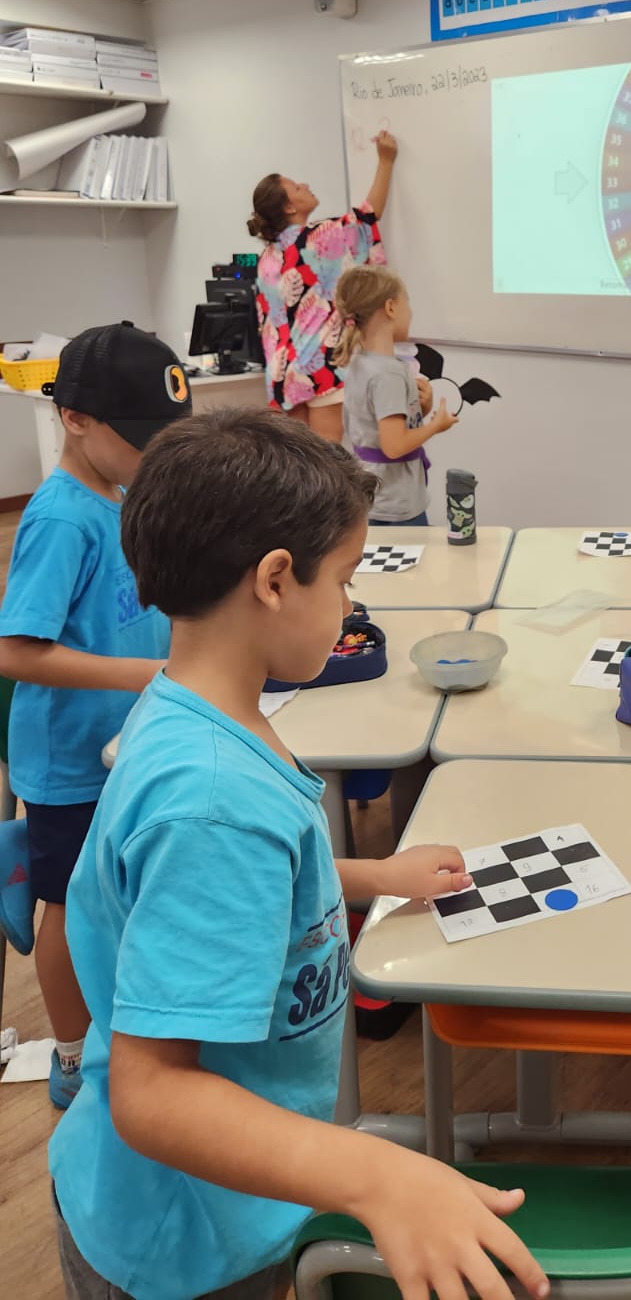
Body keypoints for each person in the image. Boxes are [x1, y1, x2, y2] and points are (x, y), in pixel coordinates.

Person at [50, 410, 549, 1300]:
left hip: (237, 1198)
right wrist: (379, 1176)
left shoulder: (197, 708)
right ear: (276, 580)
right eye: (345, 580)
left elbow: (244, 893)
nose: (350, 607)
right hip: (180, 1238)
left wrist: (373, 876)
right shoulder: (212, 804)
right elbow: (154, 1094)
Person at [0, 322, 192, 1109]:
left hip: (129, 743)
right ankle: (74, 1054)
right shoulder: (61, 518)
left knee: (127, 886)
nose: (154, 455)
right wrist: (147, 674)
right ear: (74, 418)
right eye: (142, 438)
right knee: (68, 905)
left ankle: (131, 1027)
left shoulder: (122, 497)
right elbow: (16, 650)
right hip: (71, 760)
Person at [250, 130, 398, 442]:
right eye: (296, 187)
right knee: (326, 460)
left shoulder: (266, 259)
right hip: (321, 367)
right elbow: (368, 215)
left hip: (281, 373)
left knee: (293, 460)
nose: (305, 185)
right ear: (289, 208)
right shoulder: (321, 237)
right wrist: (386, 161)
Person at [333, 265, 455, 525]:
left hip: (374, 497)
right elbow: (394, 445)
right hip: (395, 503)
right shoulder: (388, 374)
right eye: (406, 303)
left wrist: (420, 409)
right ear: (390, 308)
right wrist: (435, 425)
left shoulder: (361, 362)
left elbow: (377, 427)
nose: (410, 312)